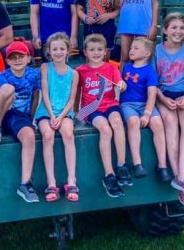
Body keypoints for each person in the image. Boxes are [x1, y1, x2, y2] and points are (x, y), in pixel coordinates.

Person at [0, 41, 42, 203]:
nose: (17, 60)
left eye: (21, 56)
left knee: (29, 135)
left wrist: (31, 118)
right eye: (12, 57)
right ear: (7, 61)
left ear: (28, 58)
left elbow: (36, 96)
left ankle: (25, 184)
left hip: (21, 116)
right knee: (8, 88)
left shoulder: (34, 74)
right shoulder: (2, 76)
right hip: (3, 113)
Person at [155, 12, 184, 207]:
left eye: (182, 28)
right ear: (165, 30)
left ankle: (183, 177)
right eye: (174, 27)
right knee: (170, 121)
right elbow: (151, 84)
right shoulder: (156, 51)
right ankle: (181, 180)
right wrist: (163, 99)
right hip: (161, 94)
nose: (178, 31)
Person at [76, 34, 129, 198]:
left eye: (100, 49)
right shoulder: (80, 71)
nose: (96, 53)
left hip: (110, 105)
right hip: (92, 109)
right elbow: (76, 93)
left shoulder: (111, 68)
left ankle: (121, 165)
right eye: (92, 50)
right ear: (85, 52)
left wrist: (122, 85)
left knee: (117, 122)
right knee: (105, 130)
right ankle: (109, 174)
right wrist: (75, 112)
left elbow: (121, 84)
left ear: (105, 51)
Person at [34, 32, 79, 202]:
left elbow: (72, 100)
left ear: (68, 51)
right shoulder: (45, 68)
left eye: (62, 49)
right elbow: (45, 93)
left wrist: (61, 116)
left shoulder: (73, 73)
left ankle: (71, 180)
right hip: (46, 112)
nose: (58, 52)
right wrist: (52, 115)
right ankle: (51, 182)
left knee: (68, 133)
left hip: (65, 112)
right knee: (47, 135)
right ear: (49, 51)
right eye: (54, 49)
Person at [120, 37, 170, 182]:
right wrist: (120, 85)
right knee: (133, 122)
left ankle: (162, 166)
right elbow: (120, 83)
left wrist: (147, 114)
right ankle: (138, 164)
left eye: (136, 48)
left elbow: (152, 94)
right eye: (131, 48)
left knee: (158, 124)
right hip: (128, 104)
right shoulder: (126, 67)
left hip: (145, 104)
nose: (131, 50)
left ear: (147, 54)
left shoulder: (150, 71)